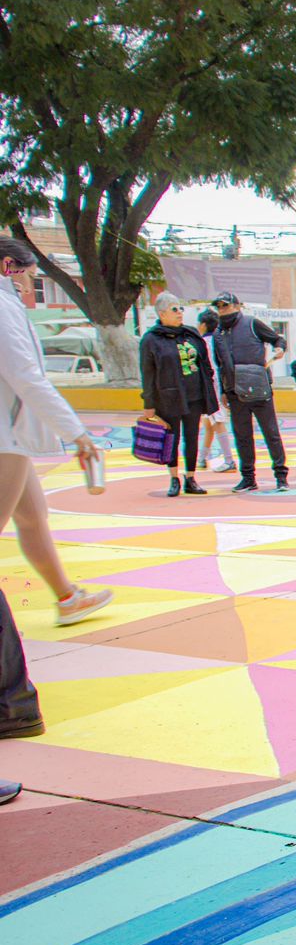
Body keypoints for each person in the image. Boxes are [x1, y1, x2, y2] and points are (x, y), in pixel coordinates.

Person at [1, 237, 111, 763]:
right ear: (9, 267)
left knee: (32, 516)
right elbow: (27, 376)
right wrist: (77, 432)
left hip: (13, 436)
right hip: (5, 436)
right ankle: (11, 698)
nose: (29, 283)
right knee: (25, 518)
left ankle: (66, 594)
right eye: (27, 272)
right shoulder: (2, 303)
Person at [210, 291, 290, 492]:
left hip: (258, 387)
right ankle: (248, 477)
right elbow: (220, 365)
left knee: (271, 432)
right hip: (235, 391)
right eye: (219, 307)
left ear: (237, 306)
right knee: (242, 435)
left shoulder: (252, 324)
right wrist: (224, 390)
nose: (222, 310)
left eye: (226, 306)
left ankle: (281, 476)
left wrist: (279, 349)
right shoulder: (218, 334)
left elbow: (277, 340)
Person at [140, 292, 216, 497]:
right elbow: (147, 373)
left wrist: (209, 386)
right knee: (172, 438)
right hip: (168, 397)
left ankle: (190, 477)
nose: (179, 313)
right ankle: (173, 478)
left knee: (192, 436)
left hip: (194, 395)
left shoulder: (190, 334)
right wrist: (149, 403)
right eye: (175, 309)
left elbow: (205, 362)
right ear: (162, 313)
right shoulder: (151, 339)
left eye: (181, 308)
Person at [195, 309, 237, 472]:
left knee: (217, 422)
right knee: (209, 423)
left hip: (212, 387)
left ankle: (229, 460)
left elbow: (209, 367)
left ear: (203, 325)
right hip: (217, 386)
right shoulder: (219, 340)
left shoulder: (203, 343)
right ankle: (202, 458)